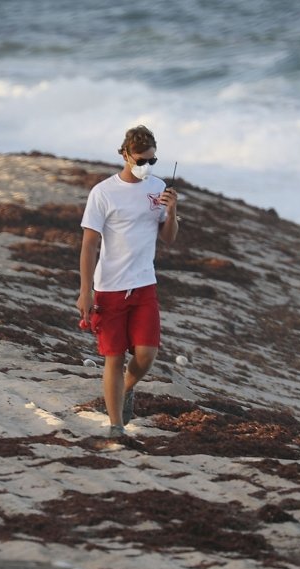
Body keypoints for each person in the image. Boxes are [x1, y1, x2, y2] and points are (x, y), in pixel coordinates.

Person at [78, 125, 179, 438]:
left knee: (147, 354)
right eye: (140, 159)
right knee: (114, 356)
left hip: (144, 284)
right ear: (125, 154)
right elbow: (89, 244)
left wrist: (172, 211)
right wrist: (85, 292)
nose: (145, 166)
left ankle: (124, 390)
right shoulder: (103, 193)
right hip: (109, 288)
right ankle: (116, 427)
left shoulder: (158, 188)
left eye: (151, 161)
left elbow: (169, 239)